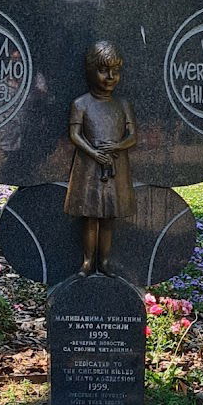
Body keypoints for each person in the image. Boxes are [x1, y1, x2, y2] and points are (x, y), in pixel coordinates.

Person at [64, 40, 137, 277]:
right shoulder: (81, 104)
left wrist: (117, 145)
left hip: (115, 166)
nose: (110, 77)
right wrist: (94, 153)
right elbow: (74, 135)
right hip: (89, 167)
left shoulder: (123, 104)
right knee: (90, 216)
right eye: (103, 70)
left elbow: (132, 136)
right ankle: (87, 262)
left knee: (109, 217)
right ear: (90, 71)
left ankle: (104, 261)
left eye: (115, 71)